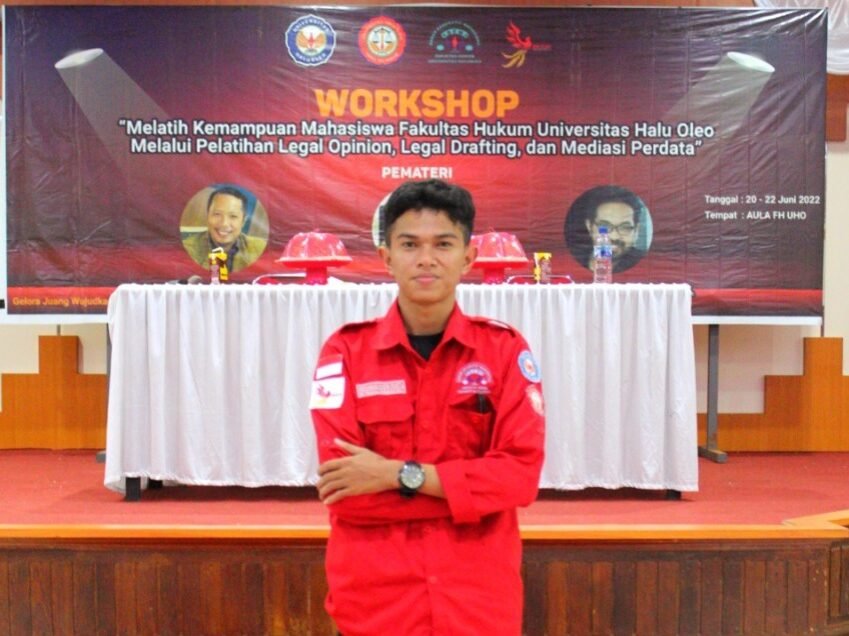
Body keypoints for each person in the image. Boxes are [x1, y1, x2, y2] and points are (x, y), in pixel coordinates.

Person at [309, 179, 546, 636]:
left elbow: (518, 478)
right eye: (409, 244)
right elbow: (348, 493)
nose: (426, 258)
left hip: (476, 603)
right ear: (386, 258)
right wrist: (468, 494)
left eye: (443, 244)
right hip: (376, 605)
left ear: (468, 258)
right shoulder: (345, 352)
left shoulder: (504, 350)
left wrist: (394, 475)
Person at [564, 184, 650, 274]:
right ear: (589, 226)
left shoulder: (645, 265)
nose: (614, 236)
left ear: (636, 230)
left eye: (624, 228)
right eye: (605, 226)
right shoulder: (571, 260)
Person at [182, 185, 266, 273]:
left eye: (233, 216)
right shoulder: (187, 249)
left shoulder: (259, 249)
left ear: (243, 222)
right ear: (207, 216)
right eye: (217, 214)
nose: (224, 223)